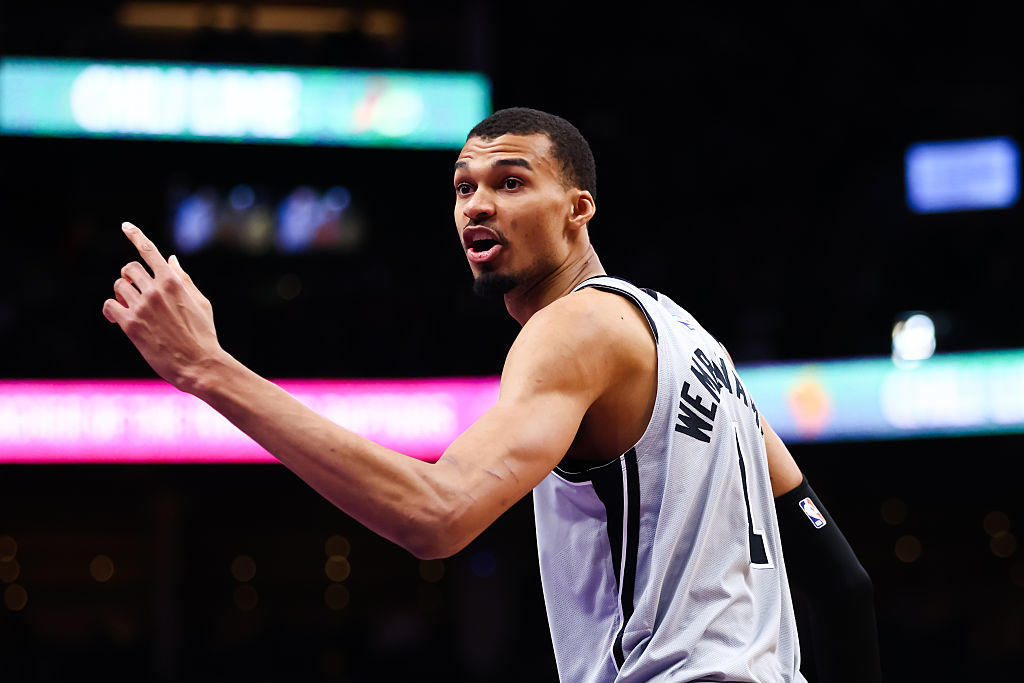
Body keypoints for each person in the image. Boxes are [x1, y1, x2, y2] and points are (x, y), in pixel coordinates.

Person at [103, 107, 878, 681]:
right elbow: (845, 584)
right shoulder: (699, 346)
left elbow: (435, 514)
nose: (477, 205)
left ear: (579, 210)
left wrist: (208, 368)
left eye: (511, 183)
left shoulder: (572, 328)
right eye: (464, 187)